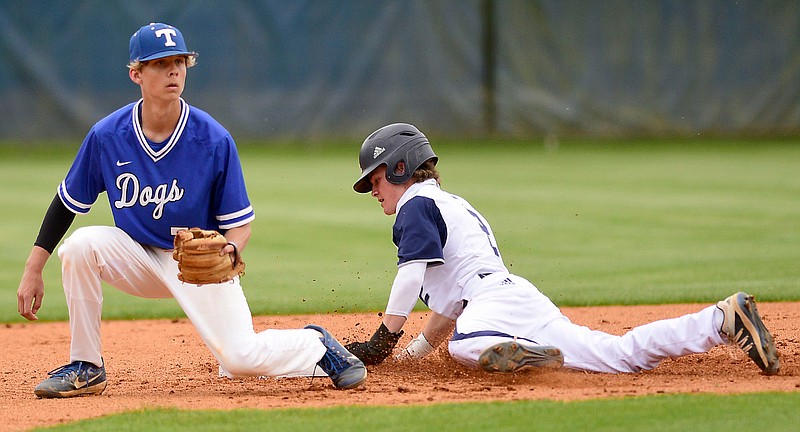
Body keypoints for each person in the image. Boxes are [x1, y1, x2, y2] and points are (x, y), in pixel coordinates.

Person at [16, 22, 366, 398]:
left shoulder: (212, 138)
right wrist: (33, 269)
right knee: (80, 246)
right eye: (160, 63)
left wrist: (231, 249)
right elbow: (66, 203)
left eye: (180, 61)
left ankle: (315, 345)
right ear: (136, 74)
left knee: (240, 361)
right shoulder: (107, 136)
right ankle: (86, 366)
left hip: (196, 266)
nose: (173, 70)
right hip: (137, 257)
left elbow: (240, 224)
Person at [344, 122, 781, 377]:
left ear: (401, 167)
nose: (373, 191)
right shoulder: (446, 202)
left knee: (462, 346)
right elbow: (450, 304)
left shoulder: (416, 203)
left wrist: (385, 340)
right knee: (617, 356)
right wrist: (414, 355)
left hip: (490, 304)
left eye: (377, 180)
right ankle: (720, 320)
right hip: (511, 297)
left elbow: (410, 275)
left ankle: (517, 351)